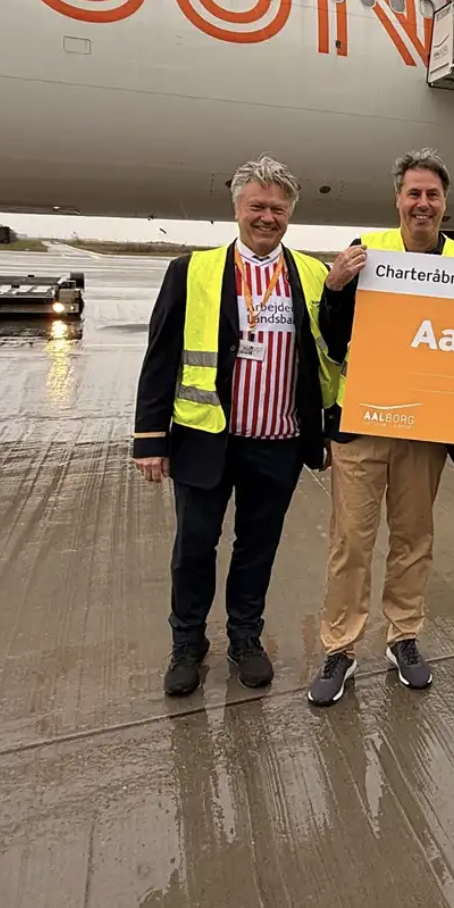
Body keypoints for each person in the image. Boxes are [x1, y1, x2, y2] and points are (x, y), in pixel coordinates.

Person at [132, 156, 340, 698]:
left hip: (280, 441)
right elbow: (160, 359)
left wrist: (331, 429)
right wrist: (150, 438)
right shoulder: (192, 271)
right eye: (257, 206)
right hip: (206, 439)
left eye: (277, 208)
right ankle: (188, 642)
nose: (266, 217)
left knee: (258, 548)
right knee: (195, 546)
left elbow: (330, 355)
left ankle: (246, 637)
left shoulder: (314, 274)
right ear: (237, 209)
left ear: (290, 213)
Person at [306, 148, 454, 706]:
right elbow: (334, 341)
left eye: (432, 194)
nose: (423, 203)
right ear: (398, 199)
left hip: (425, 428)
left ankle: (404, 637)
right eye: (414, 193)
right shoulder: (365, 254)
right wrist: (334, 289)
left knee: (413, 539)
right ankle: (340, 647)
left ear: (445, 202)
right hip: (364, 421)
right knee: (351, 542)